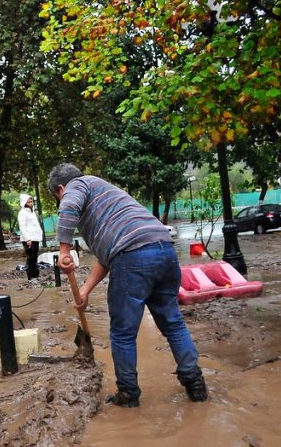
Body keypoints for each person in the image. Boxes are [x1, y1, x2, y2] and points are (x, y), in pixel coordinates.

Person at [48, 163, 207, 407]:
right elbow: (107, 257)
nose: (64, 201)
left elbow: (69, 206)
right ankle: (195, 384)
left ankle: (128, 394)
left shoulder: (77, 185)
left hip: (133, 257)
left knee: (122, 333)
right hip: (164, 251)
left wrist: (63, 250)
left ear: (61, 188)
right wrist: (85, 290)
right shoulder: (107, 196)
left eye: (59, 197)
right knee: (173, 323)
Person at [18, 193, 43, 280]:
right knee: (30, 258)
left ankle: (36, 276)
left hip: (35, 238)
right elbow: (22, 227)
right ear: (24, 203)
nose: (31, 203)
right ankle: (30, 277)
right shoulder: (22, 213)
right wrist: (27, 239)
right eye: (29, 202)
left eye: (31, 201)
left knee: (35, 257)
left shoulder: (32, 213)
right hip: (28, 239)